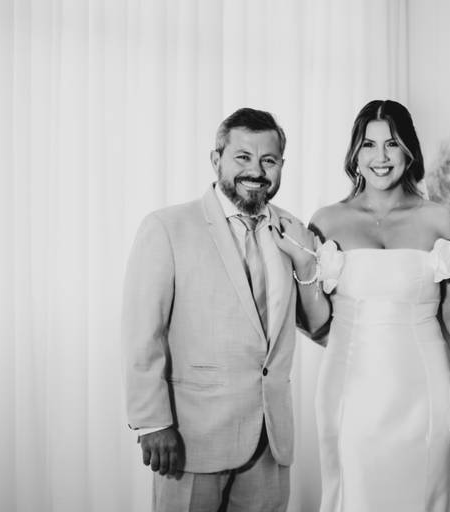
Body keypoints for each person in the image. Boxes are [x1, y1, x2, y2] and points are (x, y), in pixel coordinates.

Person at [272, 99, 450, 512]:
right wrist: (302, 261)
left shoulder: (439, 220)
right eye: (369, 145)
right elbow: (317, 324)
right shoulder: (327, 221)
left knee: (424, 493)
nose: (381, 157)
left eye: (392, 144)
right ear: (355, 155)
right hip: (349, 385)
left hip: (423, 386)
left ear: (409, 152)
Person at [122, 108, 306, 512]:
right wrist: (153, 422)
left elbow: (314, 324)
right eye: (243, 157)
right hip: (190, 440)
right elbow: (143, 332)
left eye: (269, 160)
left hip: (270, 442)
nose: (256, 171)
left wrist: (308, 264)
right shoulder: (167, 227)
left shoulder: (293, 230)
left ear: (282, 165)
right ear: (216, 159)